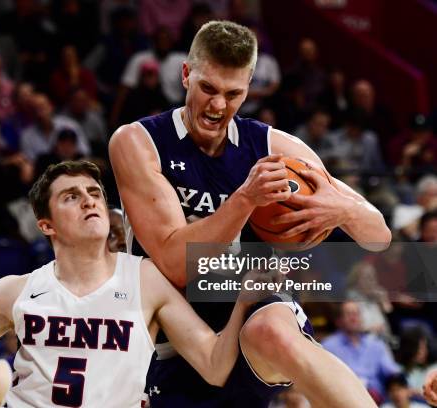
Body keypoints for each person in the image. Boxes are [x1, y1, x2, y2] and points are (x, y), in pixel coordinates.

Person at [109, 20, 391, 407]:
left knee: (272, 329)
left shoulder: (274, 147)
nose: (218, 106)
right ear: (186, 74)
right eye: (208, 88)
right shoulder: (138, 141)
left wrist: (340, 208)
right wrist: (244, 199)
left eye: (233, 93)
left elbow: (379, 235)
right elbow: (177, 264)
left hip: (251, 313)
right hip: (176, 337)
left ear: (248, 89)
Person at [0, 160, 256, 407]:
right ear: (46, 224)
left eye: (93, 192)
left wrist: (243, 303)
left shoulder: (145, 278)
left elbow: (215, 365)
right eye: (71, 196)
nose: (90, 199)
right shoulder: (17, 290)